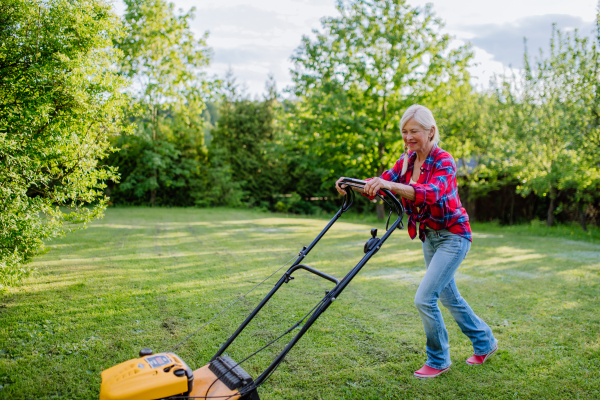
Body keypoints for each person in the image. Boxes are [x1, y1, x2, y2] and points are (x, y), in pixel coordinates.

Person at [335, 104, 497, 379]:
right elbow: (382, 182)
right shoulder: (407, 160)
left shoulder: (445, 160)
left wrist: (388, 186)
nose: (408, 137)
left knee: (425, 298)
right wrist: (352, 183)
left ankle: (438, 359)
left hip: (453, 236)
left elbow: (430, 193)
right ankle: (485, 342)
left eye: (414, 131)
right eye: (404, 132)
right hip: (429, 237)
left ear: (431, 131)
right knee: (449, 296)